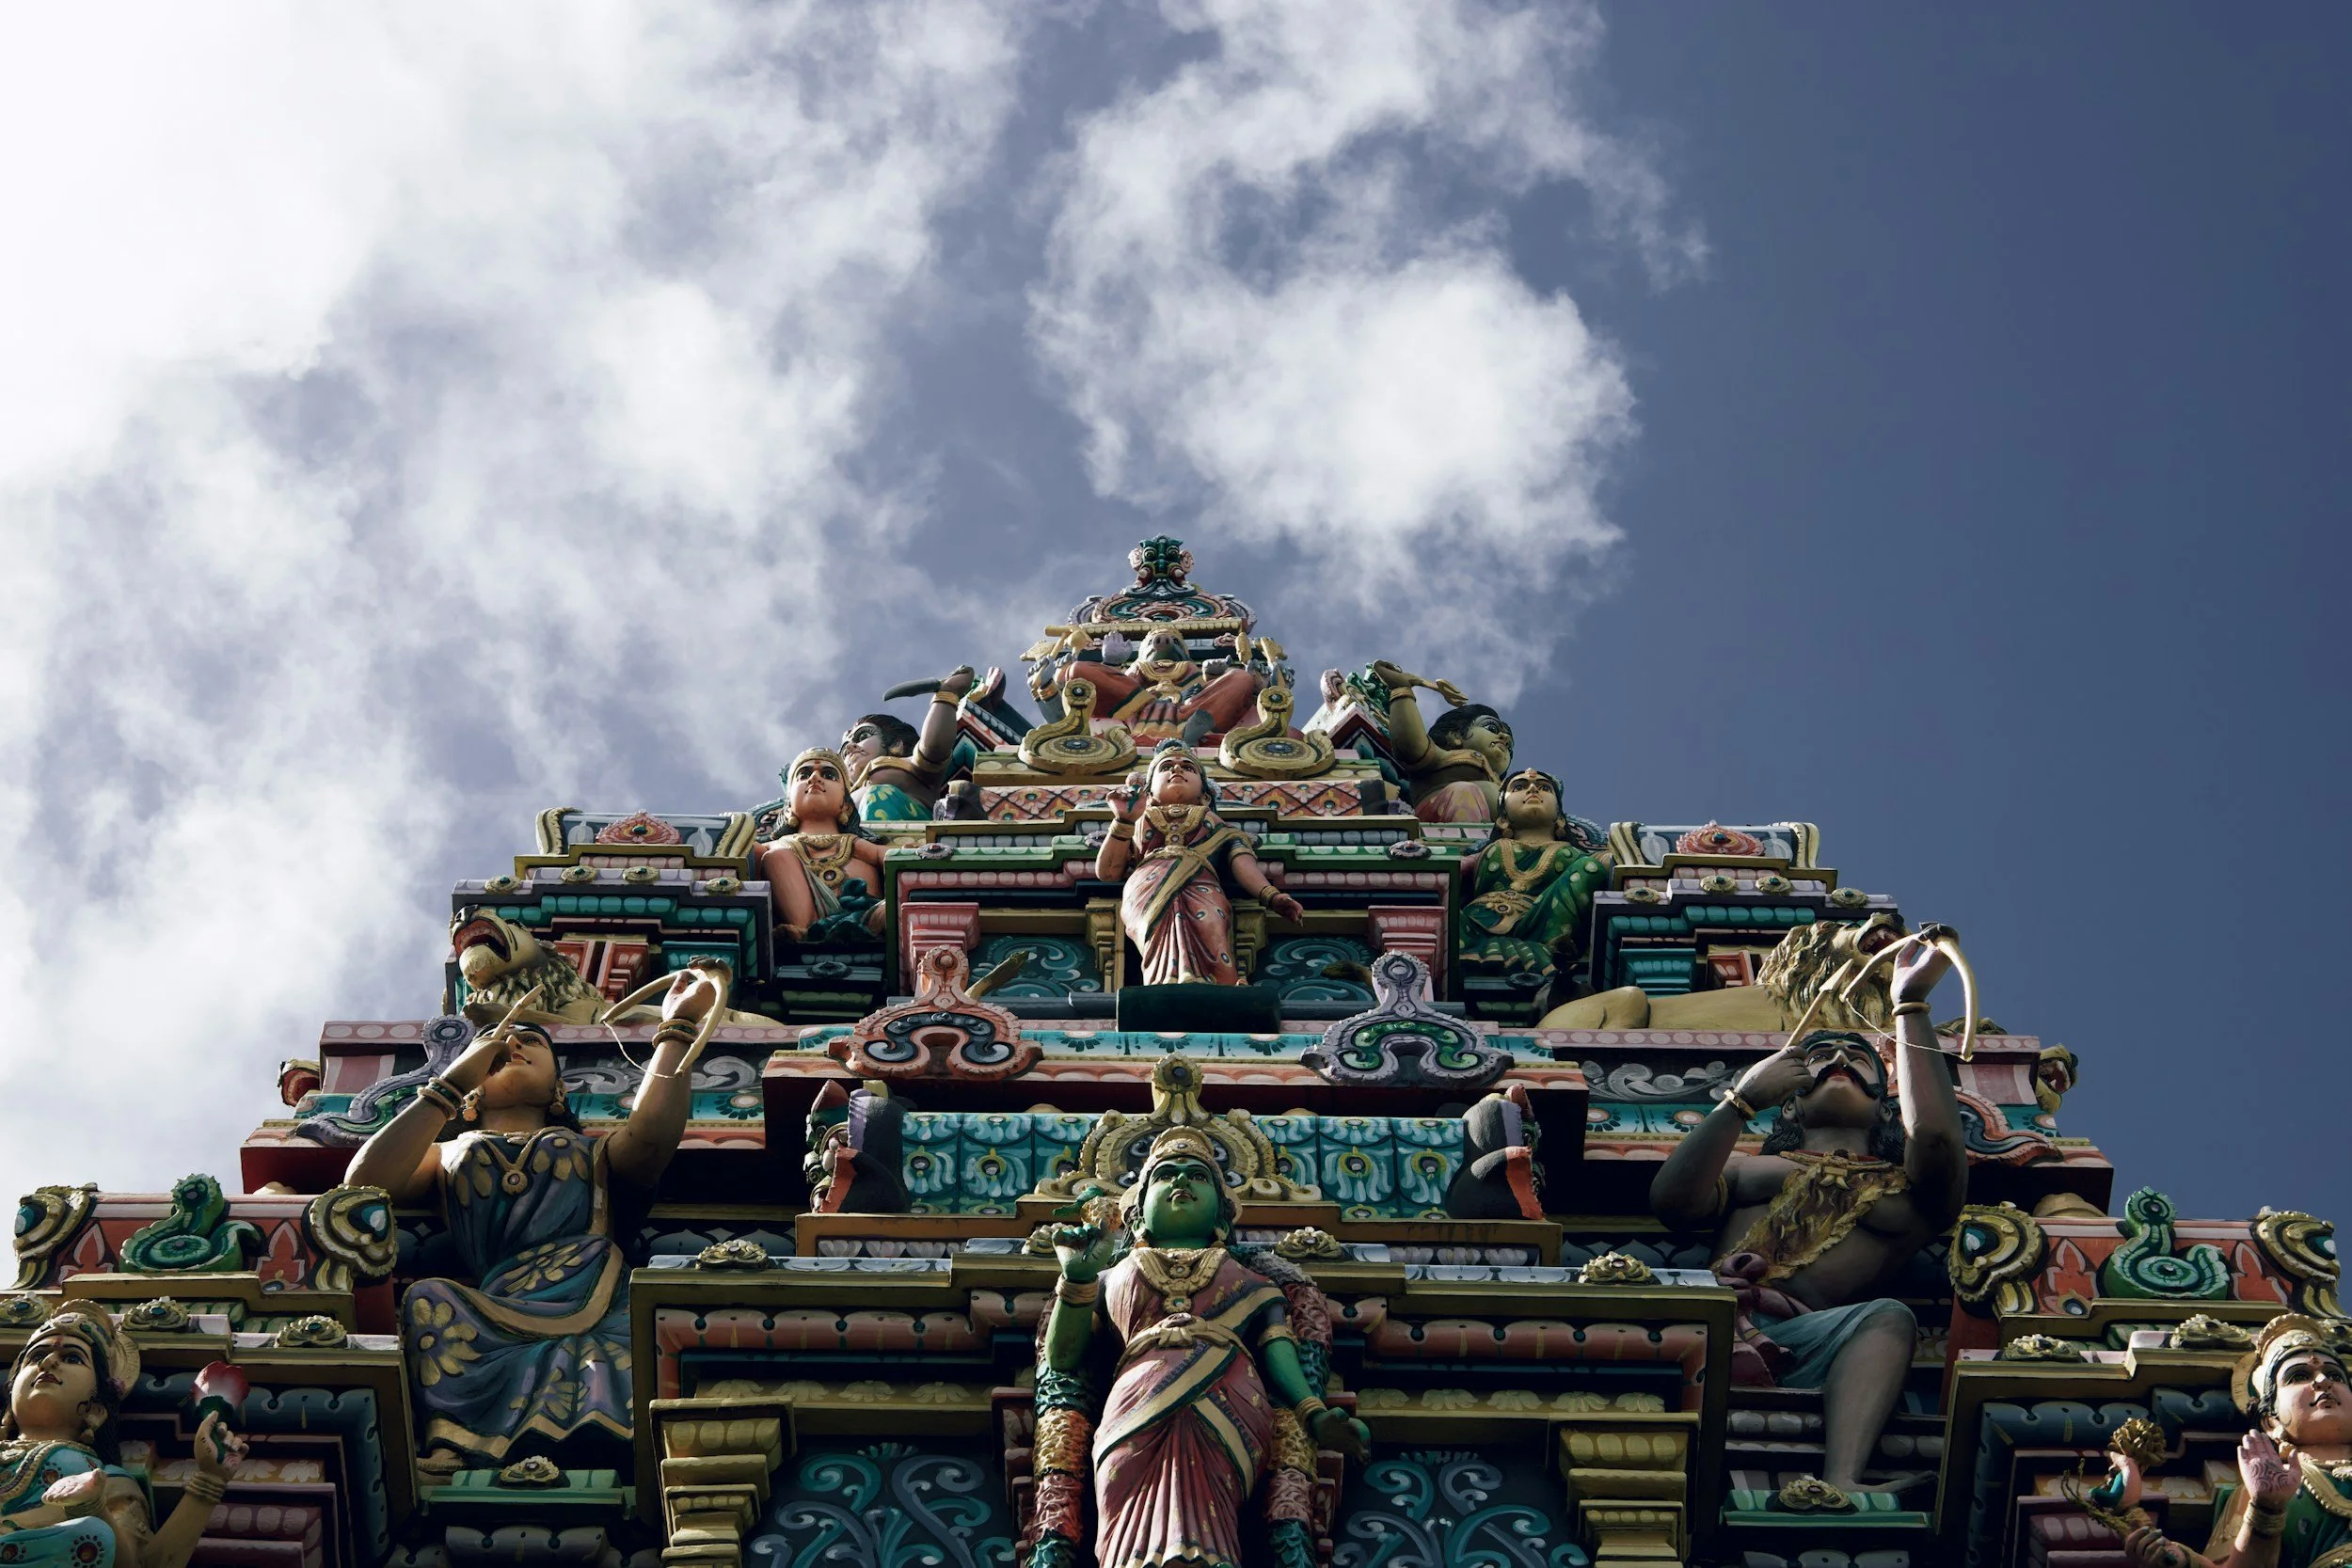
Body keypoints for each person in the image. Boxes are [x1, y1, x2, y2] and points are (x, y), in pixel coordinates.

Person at [344, 965, 724, 1470]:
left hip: (594, 1291)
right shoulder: (448, 1153)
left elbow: (652, 1138)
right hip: (497, 1301)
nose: (514, 1045)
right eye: (499, 1042)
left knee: (636, 1328)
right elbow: (365, 1184)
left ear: (558, 1089)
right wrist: (451, 1084)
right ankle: (458, 1440)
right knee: (428, 1299)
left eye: (532, 1041)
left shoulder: (593, 1151)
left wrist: (676, 1028)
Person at [1648, 934, 1969, 1506]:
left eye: (1858, 1059)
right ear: (1791, 1100)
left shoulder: (1909, 1193)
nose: (1840, 1060)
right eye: (1821, 1057)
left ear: (1886, 1105)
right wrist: (1740, 1102)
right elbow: (1673, 1201)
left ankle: (1843, 1476)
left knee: (1888, 1319)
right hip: (1712, 1319)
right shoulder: (1748, 1168)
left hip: (1805, 1339)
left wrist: (1909, 1005)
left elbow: (1938, 1136)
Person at [1043, 1128, 1370, 1568]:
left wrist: (1313, 1412)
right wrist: (1077, 1278)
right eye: (1165, 1175)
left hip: (1228, 1396)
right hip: (1136, 1400)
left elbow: (1278, 1348)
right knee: (1125, 1495)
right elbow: (1063, 1359)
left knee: (1211, 1510)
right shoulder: (1107, 1276)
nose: (1181, 1181)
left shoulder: (1254, 1280)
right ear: (1138, 1212)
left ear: (1221, 1214)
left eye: (1197, 1175)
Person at [0, 1310, 244, 1568]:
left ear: (97, 1409)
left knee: (93, 1534)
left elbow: (143, 1565)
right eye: (36, 1356)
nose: (48, 1362)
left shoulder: (104, 1477)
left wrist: (210, 1478)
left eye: (72, 1358)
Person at [2119, 1315, 2349, 1568]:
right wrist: (2266, 1509)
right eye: (2298, 1376)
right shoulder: (2258, 1488)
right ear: (2271, 1422)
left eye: (2336, 1376)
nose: (2323, 1381)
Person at [1095, 742, 1303, 987]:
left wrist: (1271, 896)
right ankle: (1164, 981)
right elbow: (1108, 873)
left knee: (1210, 926)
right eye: (1166, 767)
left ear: (1205, 795)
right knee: (1155, 930)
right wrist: (1122, 821)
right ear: (1149, 794)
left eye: (1188, 767)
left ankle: (1213, 984)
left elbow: (1243, 863)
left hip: (1202, 885)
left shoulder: (1221, 827)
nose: (1176, 770)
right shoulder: (1138, 820)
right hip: (1148, 885)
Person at [1456, 768, 1610, 985]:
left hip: (1545, 920)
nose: (1533, 789)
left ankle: (1552, 947)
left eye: (1544, 788)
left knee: (1589, 867)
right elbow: (1452, 870)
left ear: (1560, 817)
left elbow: (1608, 862)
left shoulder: (1574, 854)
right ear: (1502, 818)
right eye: (1519, 787)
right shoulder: (1489, 850)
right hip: (1478, 921)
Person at [757, 748, 889, 942]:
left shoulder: (853, 843)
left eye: (828, 775)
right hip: (800, 926)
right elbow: (743, 857)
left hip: (864, 916)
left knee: (896, 907)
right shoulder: (776, 846)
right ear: (788, 806)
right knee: (777, 857)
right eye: (804, 775)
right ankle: (805, 929)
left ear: (846, 805)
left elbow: (888, 857)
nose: (814, 778)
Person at [1366, 661, 1514, 822]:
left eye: (1510, 746)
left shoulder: (1513, 785)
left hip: (1499, 832)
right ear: (1455, 735)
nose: (1505, 739)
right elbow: (1411, 746)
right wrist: (1402, 688)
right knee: (1464, 792)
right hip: (1444, 820)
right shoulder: (1443, 758)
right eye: (1492, 728)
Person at [839, 666, 981, 822]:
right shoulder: (839, 796)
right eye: (844, 752)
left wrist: (947, 694)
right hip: (850, 834)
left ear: (895, 744)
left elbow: (934, 746)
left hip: (907, 830)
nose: (850, 747)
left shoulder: (911, 766)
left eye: (863, 736)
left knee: (878, 794)